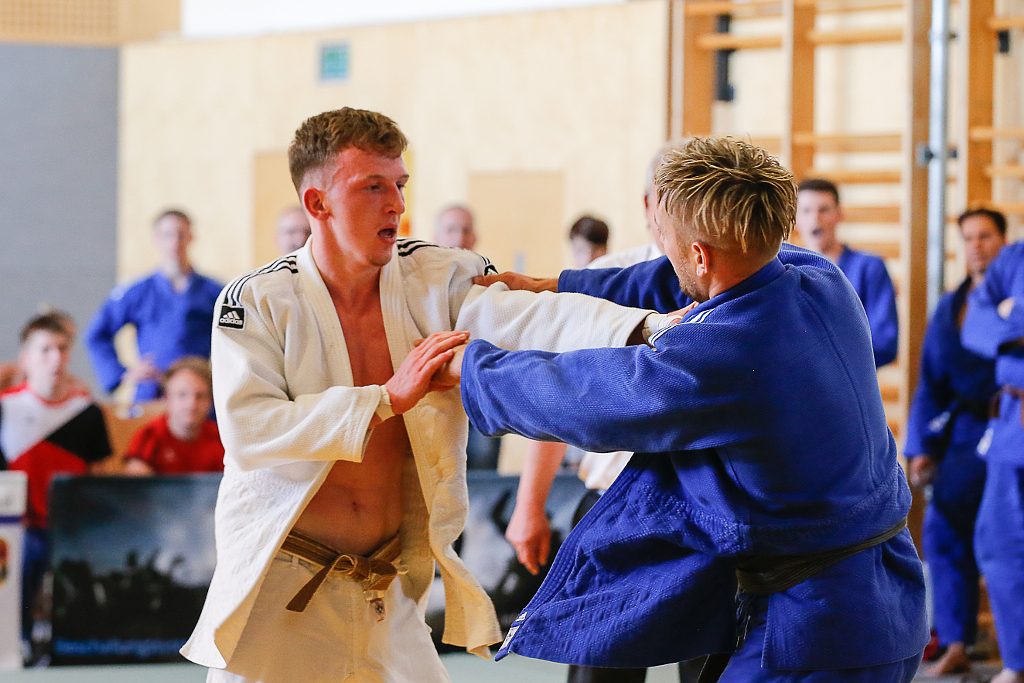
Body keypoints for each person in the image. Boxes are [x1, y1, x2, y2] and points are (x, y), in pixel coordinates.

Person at [180, 107, 666, 683]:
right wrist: (385, 397)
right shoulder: (257, 300)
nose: (397, 205)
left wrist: (648, 330)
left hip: (382, 589)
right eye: (373, 187)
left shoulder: (434, 279)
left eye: (401, 186)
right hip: (282, 593)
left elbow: (532, 317)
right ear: (318, 204)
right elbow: (249, 428)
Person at [453, 137, 927, 681]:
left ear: (700, 255)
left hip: (815, 630)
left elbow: (586, 396)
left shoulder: (722, 352)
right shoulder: (820, 279)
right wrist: (556, 285)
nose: (669, 259)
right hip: (883, 600)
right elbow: (658, 280)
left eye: (673, 245)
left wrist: (471, 367)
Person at [508, 144, 699, 683]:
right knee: (601, 670)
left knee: (711, 666)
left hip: (705, 508)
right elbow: (555, 399)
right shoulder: (605, 276)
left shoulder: (735, 282)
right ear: (647, 204)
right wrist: (530, 505)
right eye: (672, 199)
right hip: (613, 504)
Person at [904, 207, 1006, 675]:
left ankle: (1013, 653)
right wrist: (921, 446)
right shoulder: (950, 306)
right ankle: (956, 642)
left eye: (985, 236)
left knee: (1005, 544)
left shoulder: (1017, 301)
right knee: (944, 535)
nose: (976, 245)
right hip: (964, 436)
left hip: (1012, 431)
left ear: (1003, 243)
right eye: (968, 237)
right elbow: (930, 383)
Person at [0, 313, 112, 644]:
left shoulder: (87, 412)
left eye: (63, 349)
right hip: (18, 532)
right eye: (46, 349)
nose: (56, 358)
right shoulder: (6, 408)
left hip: (72, 533)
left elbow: (99, 479)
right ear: (26, 359)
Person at [962, 228, 1024, 683]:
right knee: (1000, 542)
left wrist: (1013, 314)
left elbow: (1000, 317)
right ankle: (1018, 662)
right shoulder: (1015, 257)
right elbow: (976, 323)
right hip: (1013, 419)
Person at [86, 209, 223, 402]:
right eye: (167, 235)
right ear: (156, 239)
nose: (175, 242)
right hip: (152, 392)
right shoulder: (137, 292)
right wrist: (122, 373)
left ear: (191, 237)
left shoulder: (215, 292)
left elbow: (239, 338)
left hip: (198, 395)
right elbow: (97, 334)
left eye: (181, 234)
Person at [795, 178, 898, 367]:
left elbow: (885, 342)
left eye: (824, 210)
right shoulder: (784, 271)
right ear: (795, 219)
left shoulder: (869, 267)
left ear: (839, 214)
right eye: (806, 210)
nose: (815, 219)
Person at [123, 357, 224, 475]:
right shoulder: (148, 437)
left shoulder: (221, 438)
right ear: (167, 399)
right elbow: (136, 487)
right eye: (182, 395)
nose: (191, 404)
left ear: (210, 401)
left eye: (200, 396)